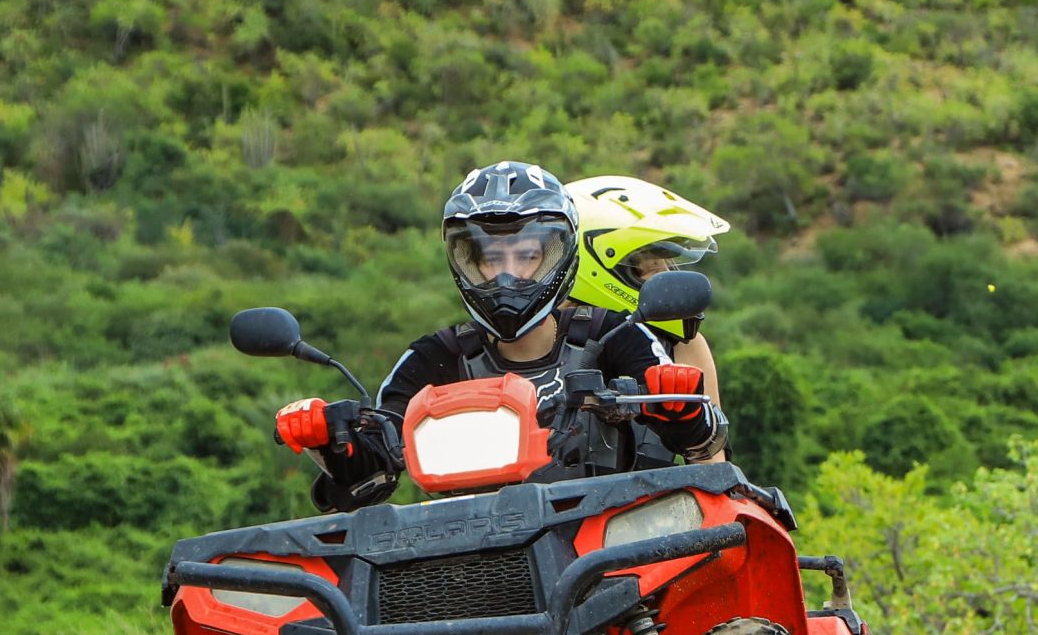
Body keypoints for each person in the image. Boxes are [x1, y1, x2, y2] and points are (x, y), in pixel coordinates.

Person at [273, 161, 723, 512]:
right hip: (471, 559)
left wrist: (678, 407)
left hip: (616, 551)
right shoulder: (433, 357)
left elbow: (706, 441)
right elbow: (372, 466)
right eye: (491, 256)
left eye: (527, 254)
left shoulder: (619, 338)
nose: (509, 274)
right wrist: (330, 439)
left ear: (555, 256)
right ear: (468, 261)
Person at [566, 175, 731, 408]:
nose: (665, 277)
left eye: (666, 263)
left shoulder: (682, 345)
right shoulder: (540, 339)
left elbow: (712, 443)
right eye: (651, 266)